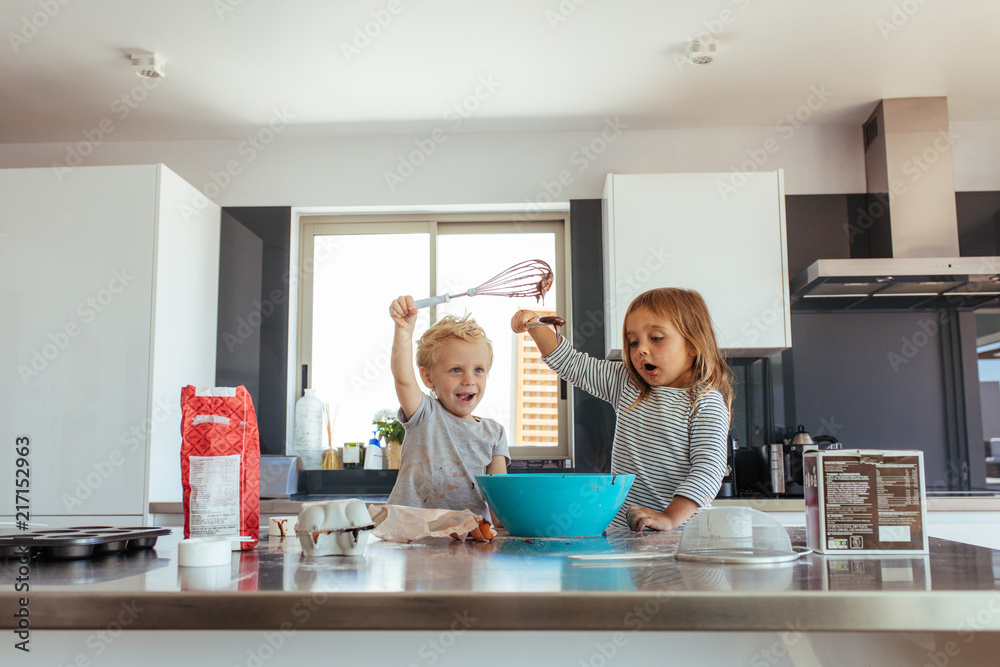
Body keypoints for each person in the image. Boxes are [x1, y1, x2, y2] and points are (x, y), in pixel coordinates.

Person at [511, 287, 731, 531]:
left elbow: (709, 469)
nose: (641, 349)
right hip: (623, 534)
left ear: (693, 344)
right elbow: (571, 364)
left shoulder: (705, 403)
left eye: (656, 338)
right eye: (633, 341)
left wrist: (668, 517)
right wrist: (535, 325)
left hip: (679, 537)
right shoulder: (627, 383)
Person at [387, 296, 509, 521]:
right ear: (428, 377)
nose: (469, 380)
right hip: (410, 537)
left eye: (479, 370)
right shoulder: (425, 414)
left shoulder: (495, 433)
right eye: (456, 370)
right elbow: (403, 379)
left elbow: (499, 507)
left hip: (469, 544)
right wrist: (403, 330)